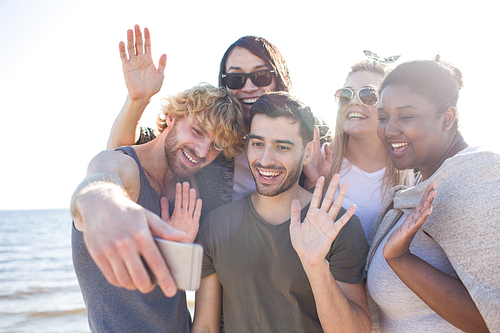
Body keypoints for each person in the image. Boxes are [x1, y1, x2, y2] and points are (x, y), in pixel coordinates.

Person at [71, 81, 246, 332]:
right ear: (172, 117)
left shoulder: (191, 196)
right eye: (197, 130)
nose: (202, 151)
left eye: (216, 145)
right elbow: (99, 182)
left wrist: (176, 251)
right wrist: (105, 204)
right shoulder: (124, 165)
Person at [191, 93, 371, 333]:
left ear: (308, 152)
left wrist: (316, 265)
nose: (265, 160)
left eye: (282, 147)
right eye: (257, 144)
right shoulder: (216, 225)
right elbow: (204, 327)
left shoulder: (340, 226)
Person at [106, 25, 331, 215]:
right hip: (219, 258)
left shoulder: (312, 133)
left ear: (279, 78)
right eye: (236, 78)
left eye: (261, 76)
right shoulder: (211, 134)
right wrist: (137, 101)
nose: (249, 87)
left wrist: (313, 181)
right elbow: (125, 150)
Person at [365, 58, 500, 332]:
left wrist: (400, 259)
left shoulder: (478, 176)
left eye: (405, 116)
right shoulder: (422, 183)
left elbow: (493, 317)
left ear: (447, 118)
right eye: (383, 117)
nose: (389, 129)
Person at [304, 58, 408, 238]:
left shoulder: (410, 168)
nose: (353, 101)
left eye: (368, 95)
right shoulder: (317, 158)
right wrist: (311, 184)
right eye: (346, 94)